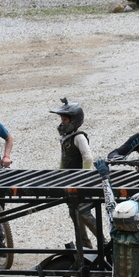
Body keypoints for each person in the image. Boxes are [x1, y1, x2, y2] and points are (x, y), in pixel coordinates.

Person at [50, 97, 98, 248]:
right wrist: (60, 174)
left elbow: (88, 157)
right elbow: (64, 158)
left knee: (84, 213)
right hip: (71, 182)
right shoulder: (65, 138)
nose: (62, 122)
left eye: (65, 119)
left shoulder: (79, 137)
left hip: (80, 183)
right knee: (74, 212)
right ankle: (84, 243)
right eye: (62, 119)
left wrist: (84, 178)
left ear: (74, 121)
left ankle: (103, 241)